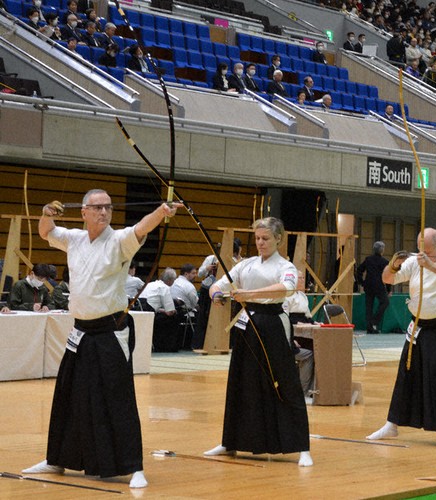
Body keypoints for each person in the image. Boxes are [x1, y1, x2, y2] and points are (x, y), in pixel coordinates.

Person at [24, 189, 179, 488]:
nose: (104, 212)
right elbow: (46, 231)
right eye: (97, 208)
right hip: (80, 331)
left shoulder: (119, 241)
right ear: (83, 212)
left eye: (107, 207)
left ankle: (133, 466)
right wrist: (46, 212)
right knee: (68, 395)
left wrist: (161, 212)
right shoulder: (74, 239)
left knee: (117, 398)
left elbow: (141, 227)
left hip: (111, 330)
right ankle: (56, 459)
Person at [204, 217, 312, 467]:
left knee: (284, 382)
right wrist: (217, 295)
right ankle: (229, 441)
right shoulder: (247, 264)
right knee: (241, 381)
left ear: (278, 239)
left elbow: (286, 288)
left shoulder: (285, 266)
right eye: (257, 239)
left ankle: (302, 447)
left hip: (273, 323)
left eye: (265, 238)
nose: (260, 243)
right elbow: (218, 284)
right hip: (247, 323)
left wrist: (248, 294)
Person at [367, 228, 436, 448]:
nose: (423, 253)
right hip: (418, 327)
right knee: (406, 374)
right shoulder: (415, 261)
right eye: (421, 248)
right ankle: (392, 425)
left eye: (428, 250)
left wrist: (431, 265)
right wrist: (394, 264)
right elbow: (388, 279)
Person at [282, 274, 315, 399]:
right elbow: (285, 318)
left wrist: (314, 323)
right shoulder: (286, 296)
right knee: (309, 354)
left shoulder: (303, 296)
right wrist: (292, 338)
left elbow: (308, 317)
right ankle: (302, 390)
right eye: (299, 278)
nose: (302, 280)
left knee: (318, 351)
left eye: (303, 278)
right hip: (293, 335)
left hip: (304, 331)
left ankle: (313, 390)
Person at [139, 268, 182, 352]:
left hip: (141, 313)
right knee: (175, 317)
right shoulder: (164, 287)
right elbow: (170, 312)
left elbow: (153, 306)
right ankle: (168, 346)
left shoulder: (149, 284)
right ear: (170, 280)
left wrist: (163, 311)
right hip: (151, 316)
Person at [356, 241, 390, 333]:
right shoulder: (385, 262)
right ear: (382, 250)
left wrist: (361, 282)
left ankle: (369, 327)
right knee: (385, 302)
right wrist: (389, 289)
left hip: (368, 285)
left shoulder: (368, 259)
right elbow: (388, 276)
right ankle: (374, 321)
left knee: (369, 307)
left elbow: (359, 270)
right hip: (379, 286)